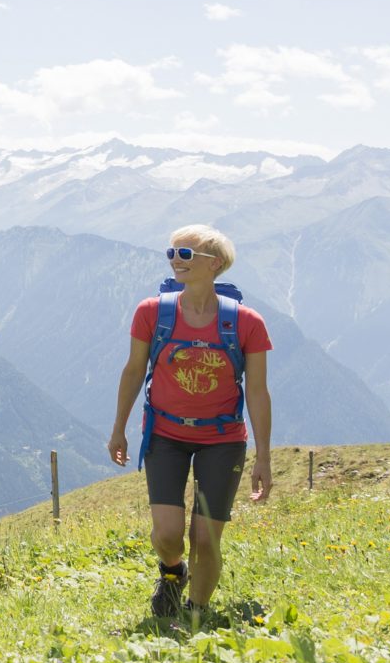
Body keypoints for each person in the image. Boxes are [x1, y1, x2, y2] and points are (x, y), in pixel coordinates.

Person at [107, 225, 272, 622]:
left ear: (214, 264)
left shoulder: (247, 323)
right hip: (165, 434)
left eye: (185, 254)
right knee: (167, 535)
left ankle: (195, 613)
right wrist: (119, 428)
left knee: (205, 538)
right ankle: (172, 572)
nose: (175, 260)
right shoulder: (152, 313)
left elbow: (258, 392)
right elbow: (133, 372)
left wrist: (263, 457)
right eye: (171, 253)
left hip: (223, 438)